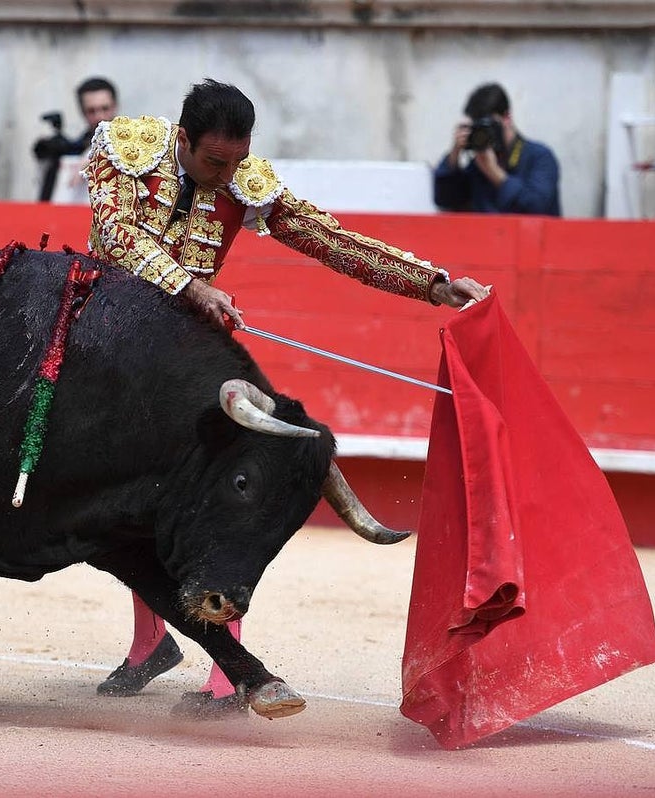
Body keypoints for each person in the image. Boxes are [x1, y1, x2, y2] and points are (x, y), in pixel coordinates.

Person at [83, 78, 489, 719]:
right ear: (182, 138)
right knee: (120, 499)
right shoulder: (124, 150)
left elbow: (332, 241)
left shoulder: (244, 180)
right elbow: (118, 238)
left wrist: (432, 284)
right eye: (214, 162)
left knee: (205, 497)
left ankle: (219, 662)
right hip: (105, 344)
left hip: (183, 357)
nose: (226, 177)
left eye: (236, 162)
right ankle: (150, 643)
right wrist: (192, 287)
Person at [433, 82, 560, 216]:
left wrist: (494, 173)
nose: (485, 134)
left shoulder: (539, 157)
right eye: (479, 128)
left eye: (489, 126)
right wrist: (454, 154)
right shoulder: (478, 164)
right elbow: (445, 200)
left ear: (506, 118)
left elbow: (535, 207)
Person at [33, 76, 118, 202]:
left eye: (104, 108)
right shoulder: (76, 148)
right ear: (83, 112)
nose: (99, 116)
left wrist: (99, 155)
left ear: (115, 106)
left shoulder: (132, 146)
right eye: (91, 111)